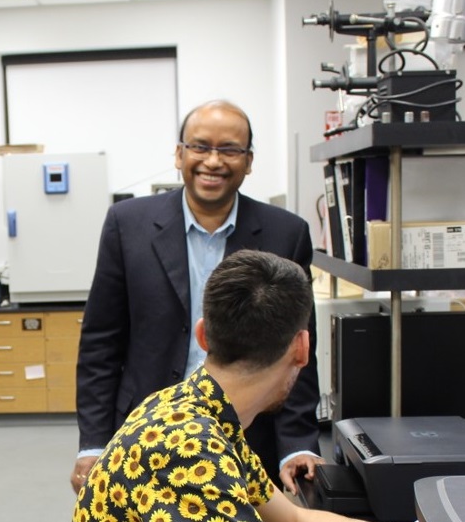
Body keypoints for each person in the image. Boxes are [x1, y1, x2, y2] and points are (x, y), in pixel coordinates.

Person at [74, 100, 323, 495]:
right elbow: (101, 344)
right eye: (200, 146)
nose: (213, 161)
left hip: (249, 439)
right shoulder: (128, 225)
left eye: (229, 150)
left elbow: (296, 350)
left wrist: (296, 447)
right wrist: (93, 443)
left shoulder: (285, 234)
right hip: (146, 437)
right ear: (179, 153)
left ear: (249, 160)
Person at [73, 250, 352, 522]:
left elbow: (293, 517)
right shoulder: (191, 450)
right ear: (302, 348)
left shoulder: (206, 411)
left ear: (202, 335)